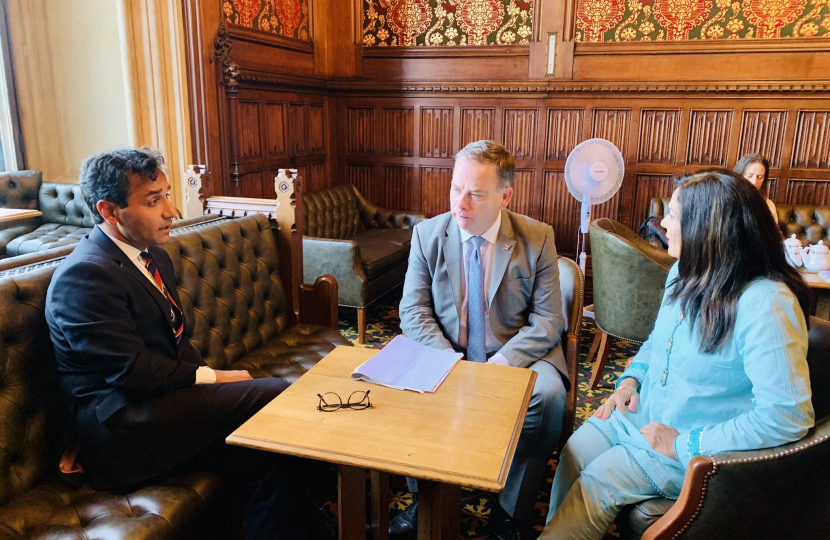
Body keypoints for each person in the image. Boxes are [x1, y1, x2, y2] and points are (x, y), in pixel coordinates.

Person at [46, 148, 333, 540]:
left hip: (161, 405)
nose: (172, 210)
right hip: (123, 429)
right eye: (154, 200)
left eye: (166, 194)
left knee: (263, 457)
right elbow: (133, 371)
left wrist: (213, 382)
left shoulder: (153, 257)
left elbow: (176, 345)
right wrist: (215, 378)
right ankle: (335, 487)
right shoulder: (83, 276)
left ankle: (314, 519)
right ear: (109, 211)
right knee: (275, 392)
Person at [540, 170, 814, 540]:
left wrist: (683, 444)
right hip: (642, 414)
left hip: (688, 445)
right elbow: (657, 340)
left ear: (708, 228)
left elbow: (787, 416)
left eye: (674, 215)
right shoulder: (684, 271)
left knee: (596, 484)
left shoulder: (766, 304)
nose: (662, 223)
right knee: (573, 452)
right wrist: (630, 380)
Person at [397, 140, 569, 540]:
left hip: (515, 353)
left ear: (505, 196)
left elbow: (548, 321)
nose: (461, 203)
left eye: (475, 193)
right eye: (456, 188)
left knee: (548, 397)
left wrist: (502, 365)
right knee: (406, 385)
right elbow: (413, 311)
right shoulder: (428, 234)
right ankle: (423, 498)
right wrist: (446, 359)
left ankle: (512, 511)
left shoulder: (537, 238)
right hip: (446, 349)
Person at [734, 152, 778, 224]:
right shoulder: (726, 200)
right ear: (739, 176)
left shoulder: (768, 205)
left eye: (760, 177)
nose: (754, 181)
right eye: (749, 176)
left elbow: (773, 233)